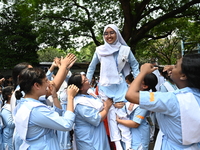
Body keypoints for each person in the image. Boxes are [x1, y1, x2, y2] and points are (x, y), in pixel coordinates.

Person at [126, 53, 200, 149]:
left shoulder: (173, 99)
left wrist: (142, 72)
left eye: (176, 66)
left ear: (183, 75)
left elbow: (130, 95)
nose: (171, 69)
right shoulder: (194, 96)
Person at [86, 24, 139, 150]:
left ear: (117, 34)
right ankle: (118, 145)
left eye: (112, 33)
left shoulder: (125, 49)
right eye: (106, 33)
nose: (109, 36)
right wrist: (87, 85)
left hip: (120, 87)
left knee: (122, 115)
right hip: (105, 87)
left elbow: (135, 65)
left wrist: (137, 83)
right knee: (110, 117)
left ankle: (129, 146)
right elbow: (91, 67)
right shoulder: (99, 50)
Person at [13, 67, 79, 150]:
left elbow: (56, 115)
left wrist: (54, 96)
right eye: (46, 81)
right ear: (36, 85)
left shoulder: (26, 104)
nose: (49, 83)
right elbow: (66, 124)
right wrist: (70, 97)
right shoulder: (35, 109)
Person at [67, 73, 113, 150]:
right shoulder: (80, 104)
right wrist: (107, 107)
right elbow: (96, 118)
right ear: (81, 87)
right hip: (89, 138)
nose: (88, 80)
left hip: (96, 134)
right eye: (85, 80)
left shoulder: (88, 95)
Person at [117, 73, 157, 150]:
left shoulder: (145, 99)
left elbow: (135, 123)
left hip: (139, 136)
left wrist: (118, 120)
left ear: (145, 86)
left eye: (138, 80)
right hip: (131, 134)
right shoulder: (135, 95)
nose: (135, 82)